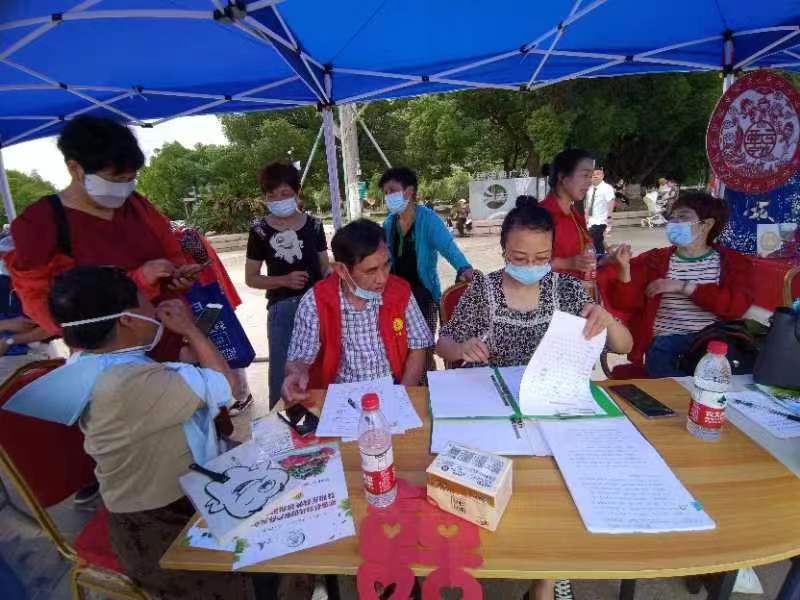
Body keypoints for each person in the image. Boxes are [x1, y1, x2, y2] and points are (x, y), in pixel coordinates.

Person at [45, 266, 254, 599]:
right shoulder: (123, 383)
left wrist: (186, 357)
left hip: (166, 498)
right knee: (272, 567)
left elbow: (161, 380)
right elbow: (226, 385)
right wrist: (190, 329)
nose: (155, 311)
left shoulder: (87, 362)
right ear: (127, 320)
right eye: (146, 303)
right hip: (162, 524)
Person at [9, 116, 202, 358]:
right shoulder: (40, 222)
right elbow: (46, 309)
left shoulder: (137, 205)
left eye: (130, 179)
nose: (124, 188)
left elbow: (171, 253)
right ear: (75, 169)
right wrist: (139, 281)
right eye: (115, 179)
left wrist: (178, 276)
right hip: (111, 357)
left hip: (173, 339)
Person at [436, 195, 632, 368]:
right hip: (491, 388)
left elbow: (624, 346)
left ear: (551, 251)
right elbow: (443, 345)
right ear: (504, 250)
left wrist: (608, 321)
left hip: (550, 391)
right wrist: (461, 349)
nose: (530, 265)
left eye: (541, 258)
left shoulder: (567, 289)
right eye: (520, 258)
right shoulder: (482, 290)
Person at [281, 219, 434, 403]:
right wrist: (296, 374)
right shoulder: (316, 301)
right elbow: (300, 359)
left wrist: (401, 396)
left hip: (394, 387)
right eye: (371, 271)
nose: (383, 278)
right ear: (341, 270)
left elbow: (418, 347)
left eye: (386, 264)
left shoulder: (400, 291)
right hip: (339, 395)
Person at [608, 192, 752, 377]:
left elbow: (736, 307)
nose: (674, 223)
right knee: (664, 356)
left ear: (706, 224)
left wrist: (684, 287)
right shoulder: (654, 260)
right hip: (664, 346)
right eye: (672, 217)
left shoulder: (732, 262)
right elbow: (626, 304)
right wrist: (624, 269)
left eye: (683, 217)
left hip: (708, 345)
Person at [245, 162, 329, 408]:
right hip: (282, 310)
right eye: (271, 195)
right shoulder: (259, 231)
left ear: (297, 192)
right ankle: (281, 421)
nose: (278, 200)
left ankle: (321, 416)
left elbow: (324, 268)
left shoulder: (314, 226)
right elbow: (251, 277)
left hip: (318, 308)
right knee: (282, 372)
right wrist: (283, 280)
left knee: (320, 366)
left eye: (285, 193)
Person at [379, 167, 473, 339]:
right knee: (397, 342)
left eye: (392, 190)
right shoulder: (389, 223)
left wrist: (464, 268)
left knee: (424, 344)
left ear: (409, 191)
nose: (388, 196)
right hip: (394, 295)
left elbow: (448, 247)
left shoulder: (428, 220)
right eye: (385, 193)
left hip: (423, 294)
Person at [539, 149, 596, 280]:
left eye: (591, 176)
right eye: (585, 175)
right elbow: (525, 266)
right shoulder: (540, 215)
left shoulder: (574, 214)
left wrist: (606, 259)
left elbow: (583, 256)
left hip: (579, 287)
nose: (589, 182)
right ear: (563, 177)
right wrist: (567, 263)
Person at [584, 167, 615, 254]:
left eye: (598, 174)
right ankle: (608, 254)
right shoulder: (589, 188)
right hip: (591, 220)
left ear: (602, 175)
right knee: (597, 239)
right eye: (593, 174)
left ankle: (601, 255)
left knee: (594, 236)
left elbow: (611, 202)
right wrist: (586, 217)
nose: (595, 176)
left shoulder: (607, 188)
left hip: (602, 220)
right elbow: (587, 204)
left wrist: (609, 216)